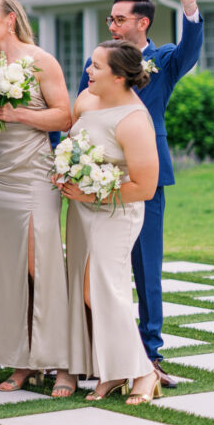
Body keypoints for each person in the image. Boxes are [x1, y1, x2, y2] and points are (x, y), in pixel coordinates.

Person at [76, 0, 203, 390]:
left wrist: (189, 7)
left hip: (146, 176)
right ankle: (107, 353)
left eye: (118, 18)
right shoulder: (97, 63)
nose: (111, 24)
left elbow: (190, 53)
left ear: (142, 22)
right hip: (96, 175)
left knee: (146, 267)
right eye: (110, 18)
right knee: (100, 269)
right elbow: (82, 113)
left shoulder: (164, 59)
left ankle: (150, 352)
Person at [0, 0, 74, 397]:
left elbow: (64, 115)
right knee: (6, 272)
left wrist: (17, 114)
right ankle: (22, 362)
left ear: (9, 20)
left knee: (41, 266)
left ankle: (63, 362)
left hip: (34, 176)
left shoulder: (40, 60)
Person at [64, 40, 161, 404]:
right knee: (93, 292)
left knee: (105, 291)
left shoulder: (134, 120)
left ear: (119, 77)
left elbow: (145, 187)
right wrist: (66, 174)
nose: (88, 70)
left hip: (117, 213)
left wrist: (92, 194)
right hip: (81, 210)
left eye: (97, 66)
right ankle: (114, 369)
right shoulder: (86, 102)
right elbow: (75, 148)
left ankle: (144, 371)